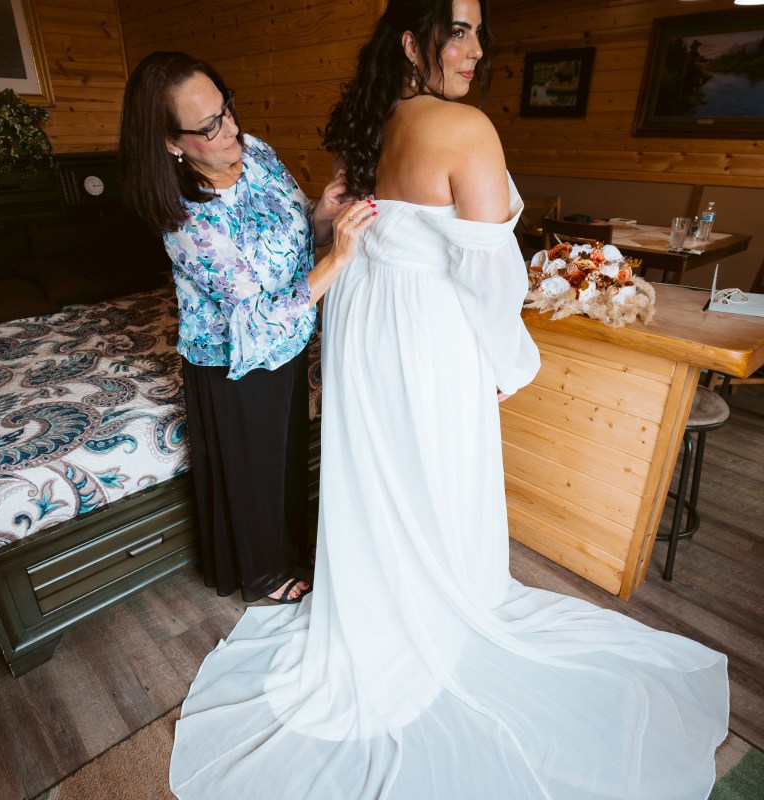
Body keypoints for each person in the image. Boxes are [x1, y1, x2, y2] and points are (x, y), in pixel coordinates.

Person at [169, 3, 729, 797]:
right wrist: (506, 358)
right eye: (457, 29)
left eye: (478, 30)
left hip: (364, 330)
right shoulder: (465, 131)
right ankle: (438, 606)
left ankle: (390, 600)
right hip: (423, 337)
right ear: (410, 39)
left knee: (381, 475)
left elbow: (362, 234)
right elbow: (489, 277)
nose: (474, 49)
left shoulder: (369, 122)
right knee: (435, 473)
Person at [119, 52, 375, 605]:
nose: (231, 128)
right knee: (253, 469)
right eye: (209, 126)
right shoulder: (186, 221)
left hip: (289, 340)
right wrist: (339, 260)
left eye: (227, 109)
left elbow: (290, 227)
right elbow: (256, 312)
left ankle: (289, 548)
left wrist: (322, 213)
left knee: (283, 457)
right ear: (170, 143)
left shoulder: (255, 151)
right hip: (232, 357)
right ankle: (261, 572)